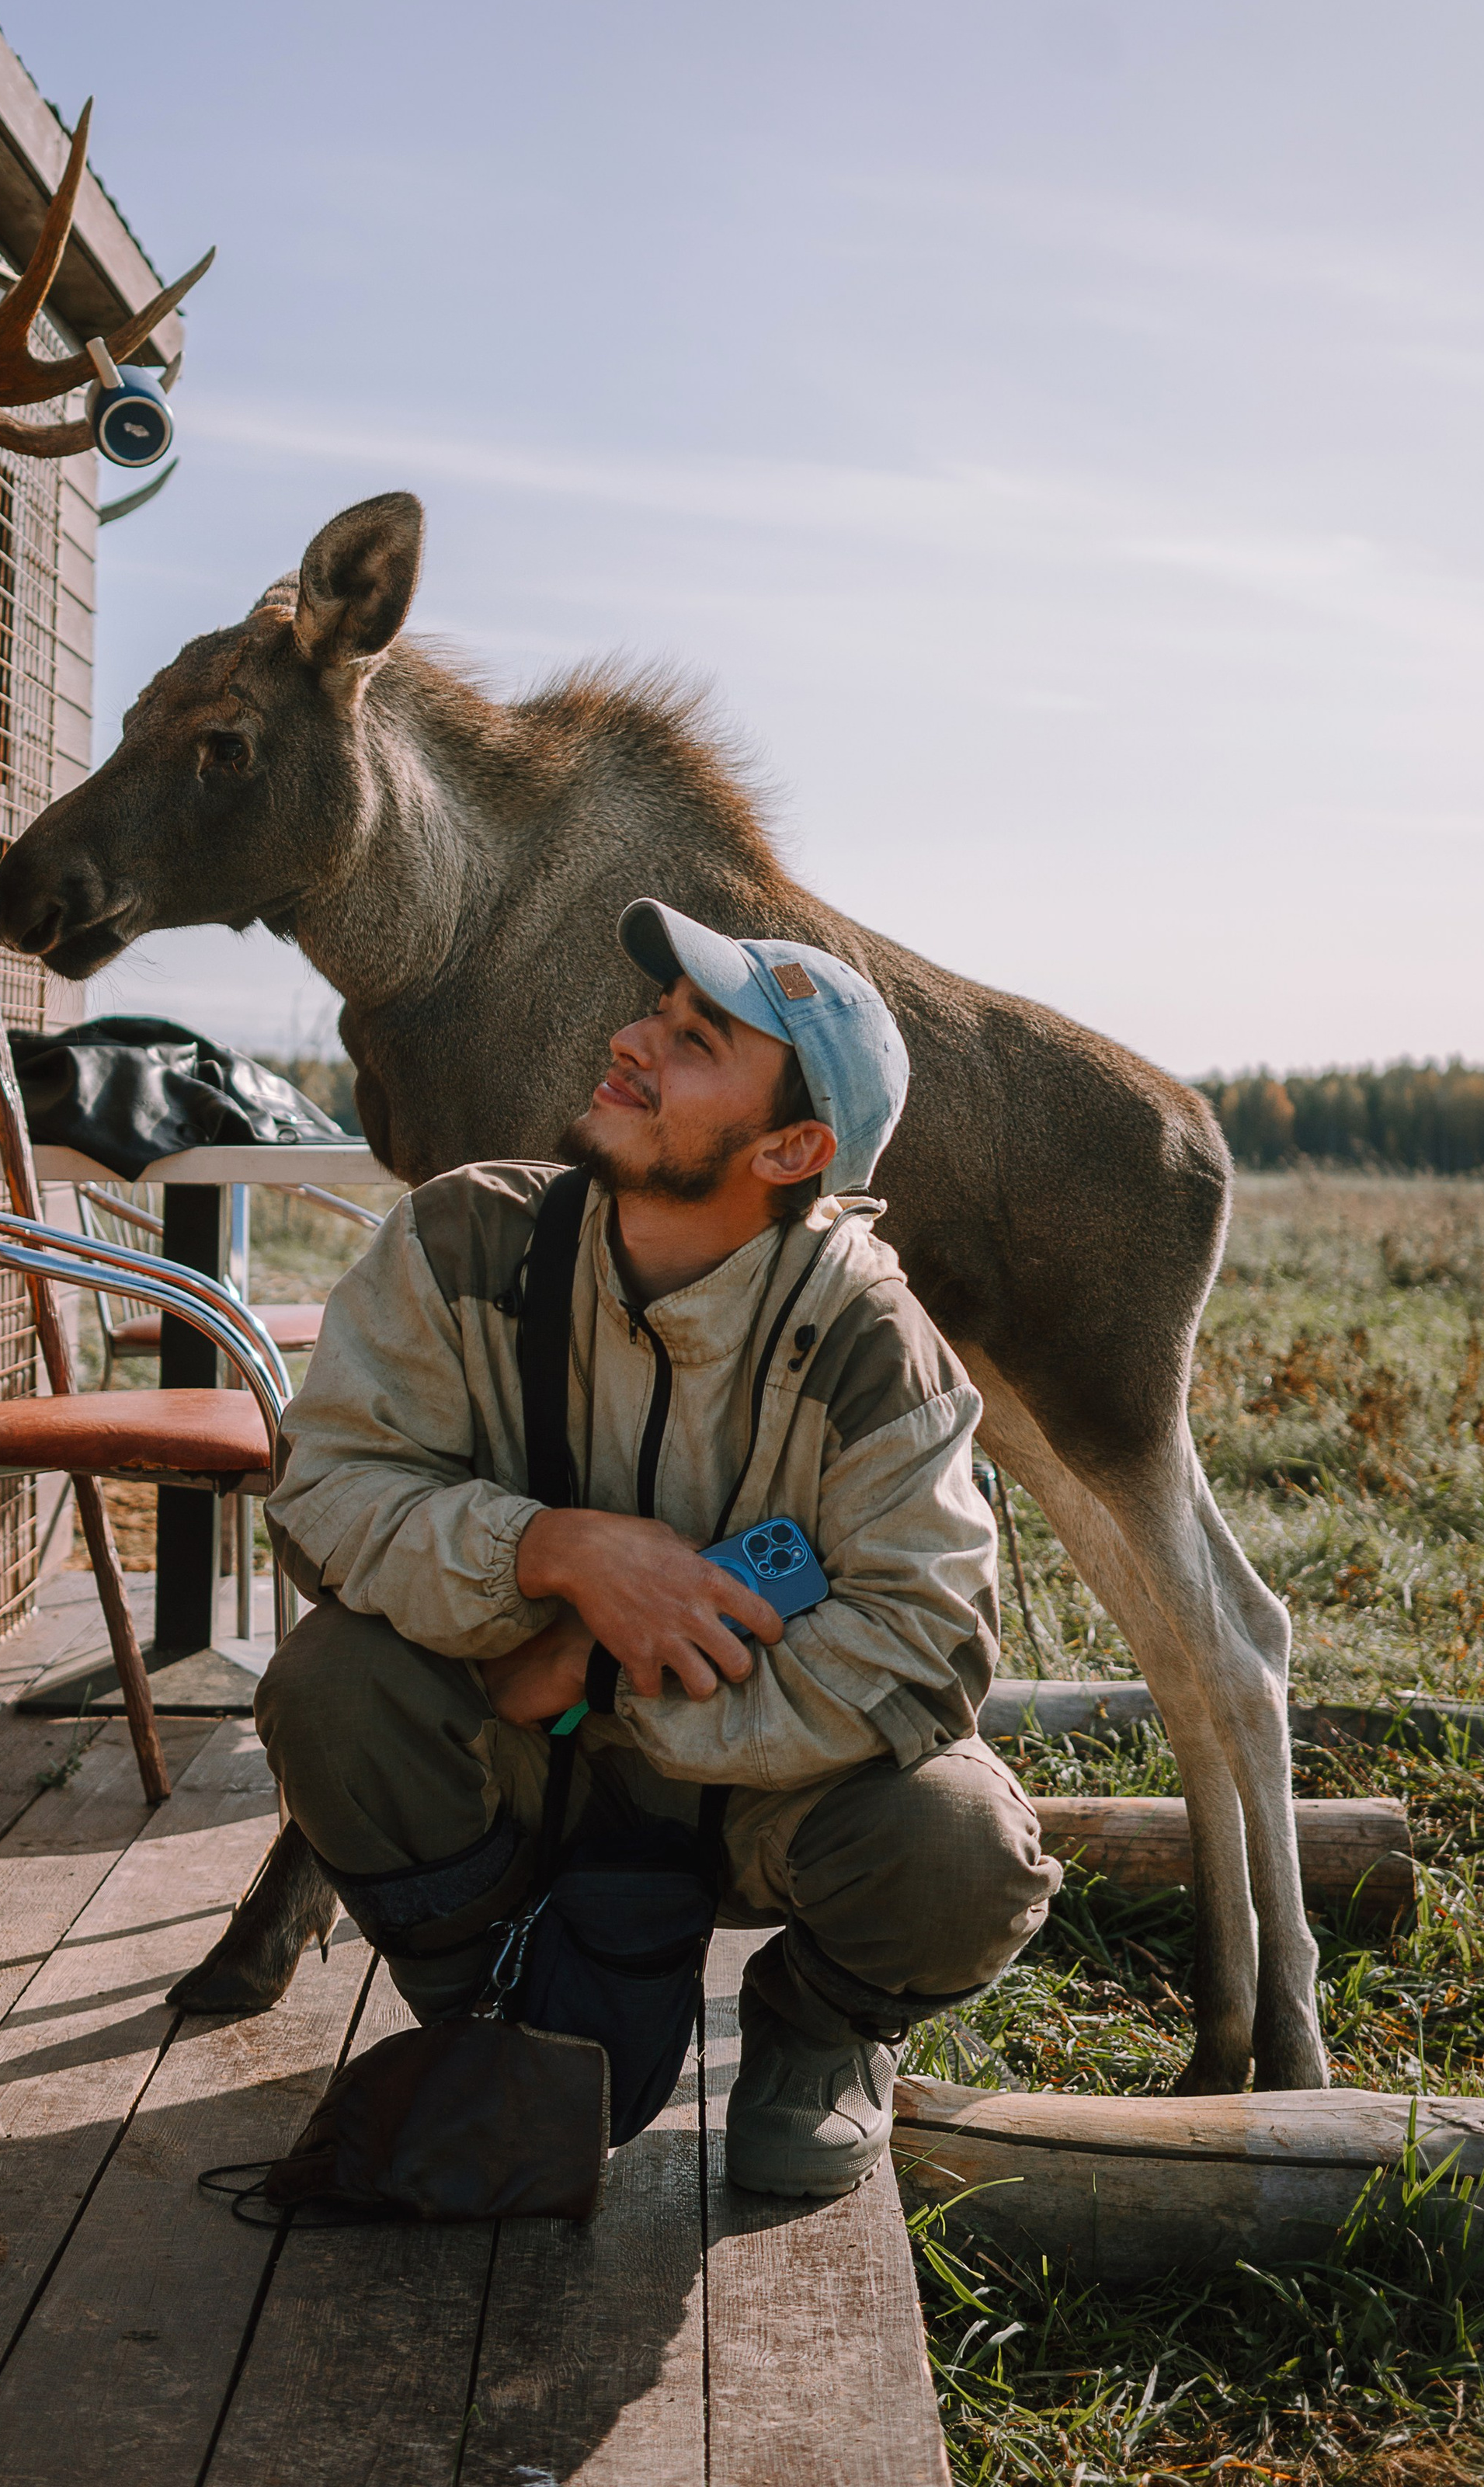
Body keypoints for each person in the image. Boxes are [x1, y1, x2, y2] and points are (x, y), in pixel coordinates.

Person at [252, 898, 1061, 2197]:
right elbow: (324, 1494)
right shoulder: (466, 1237)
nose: (630, 1040)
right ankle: (501, 2012)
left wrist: (606, 1673)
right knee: (331, 1690)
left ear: (793, 1145)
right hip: (523, 1762)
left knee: (962, 1846)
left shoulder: (875, 1342)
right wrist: (552, 1552)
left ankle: (818, 2028)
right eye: (656, 1014)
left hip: (767, 1796)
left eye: (694, 1041)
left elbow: (924, 1650)